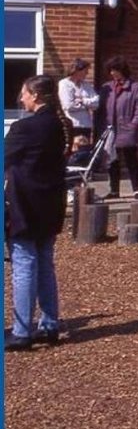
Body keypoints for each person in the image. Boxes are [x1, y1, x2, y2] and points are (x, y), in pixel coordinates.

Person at [5, 75, 71, 350]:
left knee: (24, 264)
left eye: (24, 94)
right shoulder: (59, 125)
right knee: (44, 263)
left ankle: (22, 331)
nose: (21, 98)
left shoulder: (24, 127)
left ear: (36, 96)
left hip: (24, 205)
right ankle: (49, 324)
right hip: (50, 204)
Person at [98, 56, 138, 201]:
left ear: (123, 70)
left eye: (116, 70)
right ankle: (114, 190)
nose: (113, 73)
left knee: (131, 160)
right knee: (112, 161)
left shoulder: (135, 87)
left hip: (127, 129)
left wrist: (133, 125)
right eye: (111, 70)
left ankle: (136, 190)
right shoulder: (106, 87)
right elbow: (100, 108)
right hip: (110, 130)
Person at [58, 58, 99, 142]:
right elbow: (68, 106)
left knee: (84, 152)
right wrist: (87, 106)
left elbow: (96, 103)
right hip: (72, 125)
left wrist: (83, 101)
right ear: (77, 70)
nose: (87, 73)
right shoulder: (65, 84)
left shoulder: (86, 85)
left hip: (86, 125)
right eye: (85, 70)